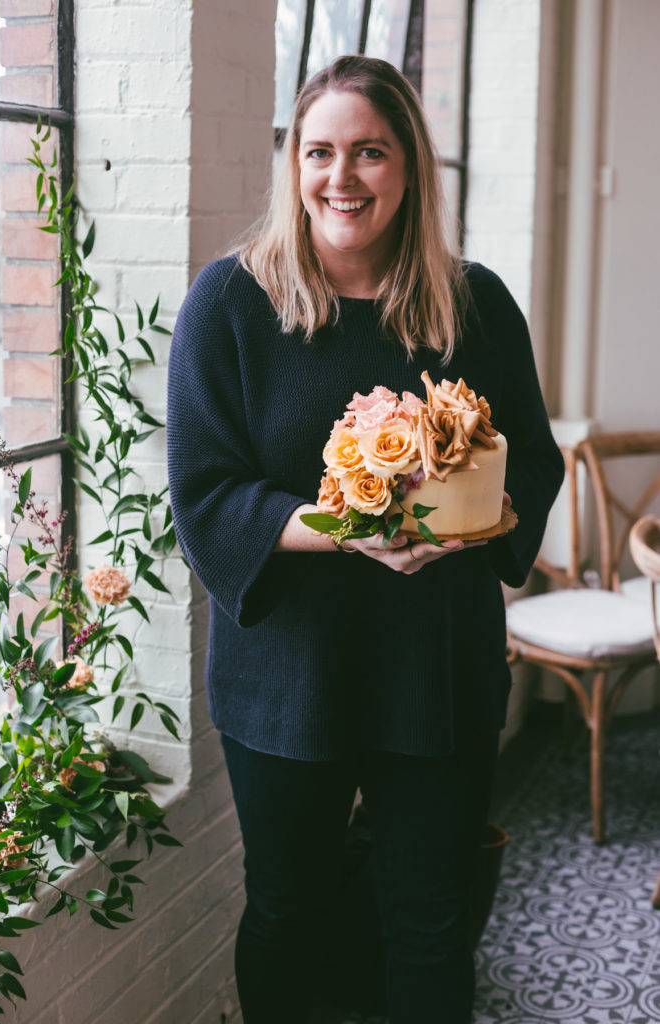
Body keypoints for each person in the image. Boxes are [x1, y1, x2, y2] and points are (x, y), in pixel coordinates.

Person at [167, 55, 564, 1024]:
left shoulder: (474, 306)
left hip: (434, 661)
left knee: (429, 920)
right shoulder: (230, 303)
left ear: (408, 168)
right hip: (286, 675)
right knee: (288, 909)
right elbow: (207, 496)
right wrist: (357, 528)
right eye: (319, 152)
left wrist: (458, 516)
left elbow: (533, 464)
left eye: (369, 152)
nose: (340, 177)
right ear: (292, 165)